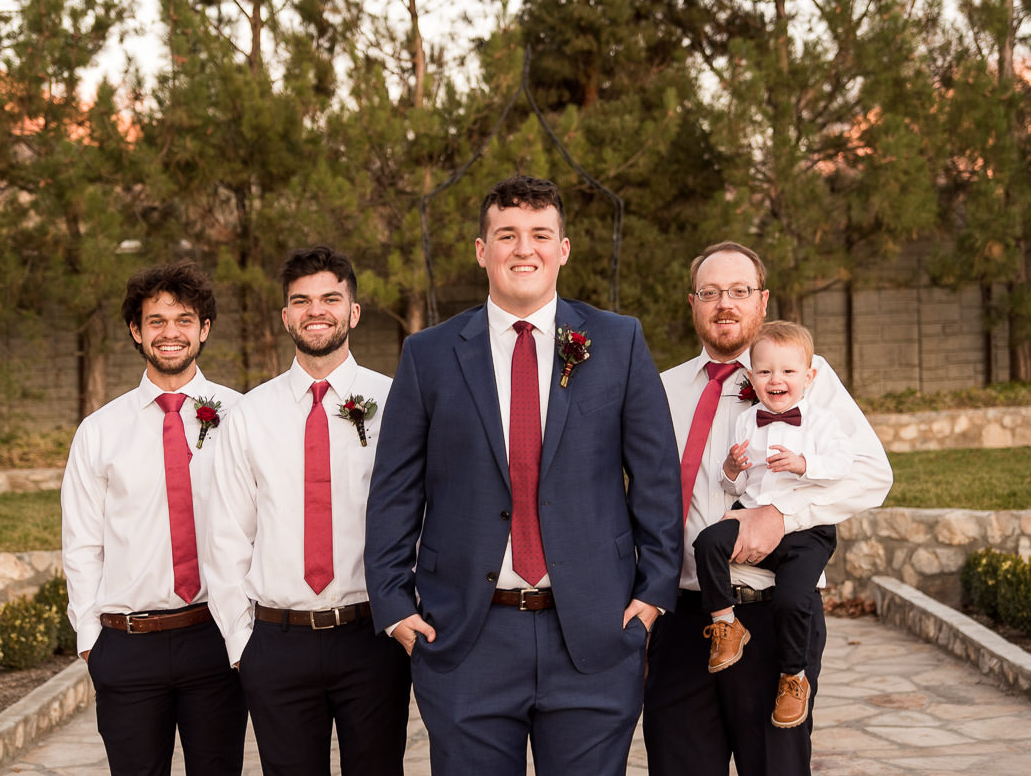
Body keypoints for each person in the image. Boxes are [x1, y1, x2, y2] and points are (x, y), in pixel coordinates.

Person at [364, 174, 682, 776]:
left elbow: (657, 478)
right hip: (465, 640)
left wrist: (651, 595)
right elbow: (395, 491)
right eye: (506, 235)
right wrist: (394, 604)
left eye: (540, 234)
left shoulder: (618, 342)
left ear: (563, 249)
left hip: (592, 633)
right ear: (482, 252)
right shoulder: (428, 355)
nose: (523, 248)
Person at [644, 241, 892, 776]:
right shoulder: (661, 390)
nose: (725, 303)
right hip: (686, 620)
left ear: (763, 300)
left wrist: (783, 516)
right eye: (711, 292)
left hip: (776, 616)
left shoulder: (803, 374)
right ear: (693, 304)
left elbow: (873, 474)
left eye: (739, 290)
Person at [203, 245, 410, 775]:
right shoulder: (249, 415)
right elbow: (226, 533)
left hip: (373, 636)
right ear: (285, 317)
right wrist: (241, 643)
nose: (316, 310)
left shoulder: (398, 402)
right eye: (301, 301)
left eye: (330, 298)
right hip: (277, 643)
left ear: (353, 312)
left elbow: (421, 514)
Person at [61, 259, 248, 776]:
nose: (171, 333)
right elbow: (81, 543)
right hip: (127, 646)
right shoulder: (99, 432)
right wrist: (90, 639)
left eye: (184, 319)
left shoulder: (242, 417)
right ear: (136, 332)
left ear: (204, 329)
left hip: (216, 637)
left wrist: (243, 632)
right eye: (156, 321)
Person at [695, 320, 852, 728]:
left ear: (809, 376)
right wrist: (730, 469)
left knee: (793, 601)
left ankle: (793, 676)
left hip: (806, 532)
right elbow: (738, 484)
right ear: (751, 377)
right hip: (752, 515)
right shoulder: (748, 421)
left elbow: (842, 467)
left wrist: (804, 465)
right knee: (707, 542)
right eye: (764, 372)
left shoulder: (821, 421)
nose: (775, 379)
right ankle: (725, 623)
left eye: (787, 371)